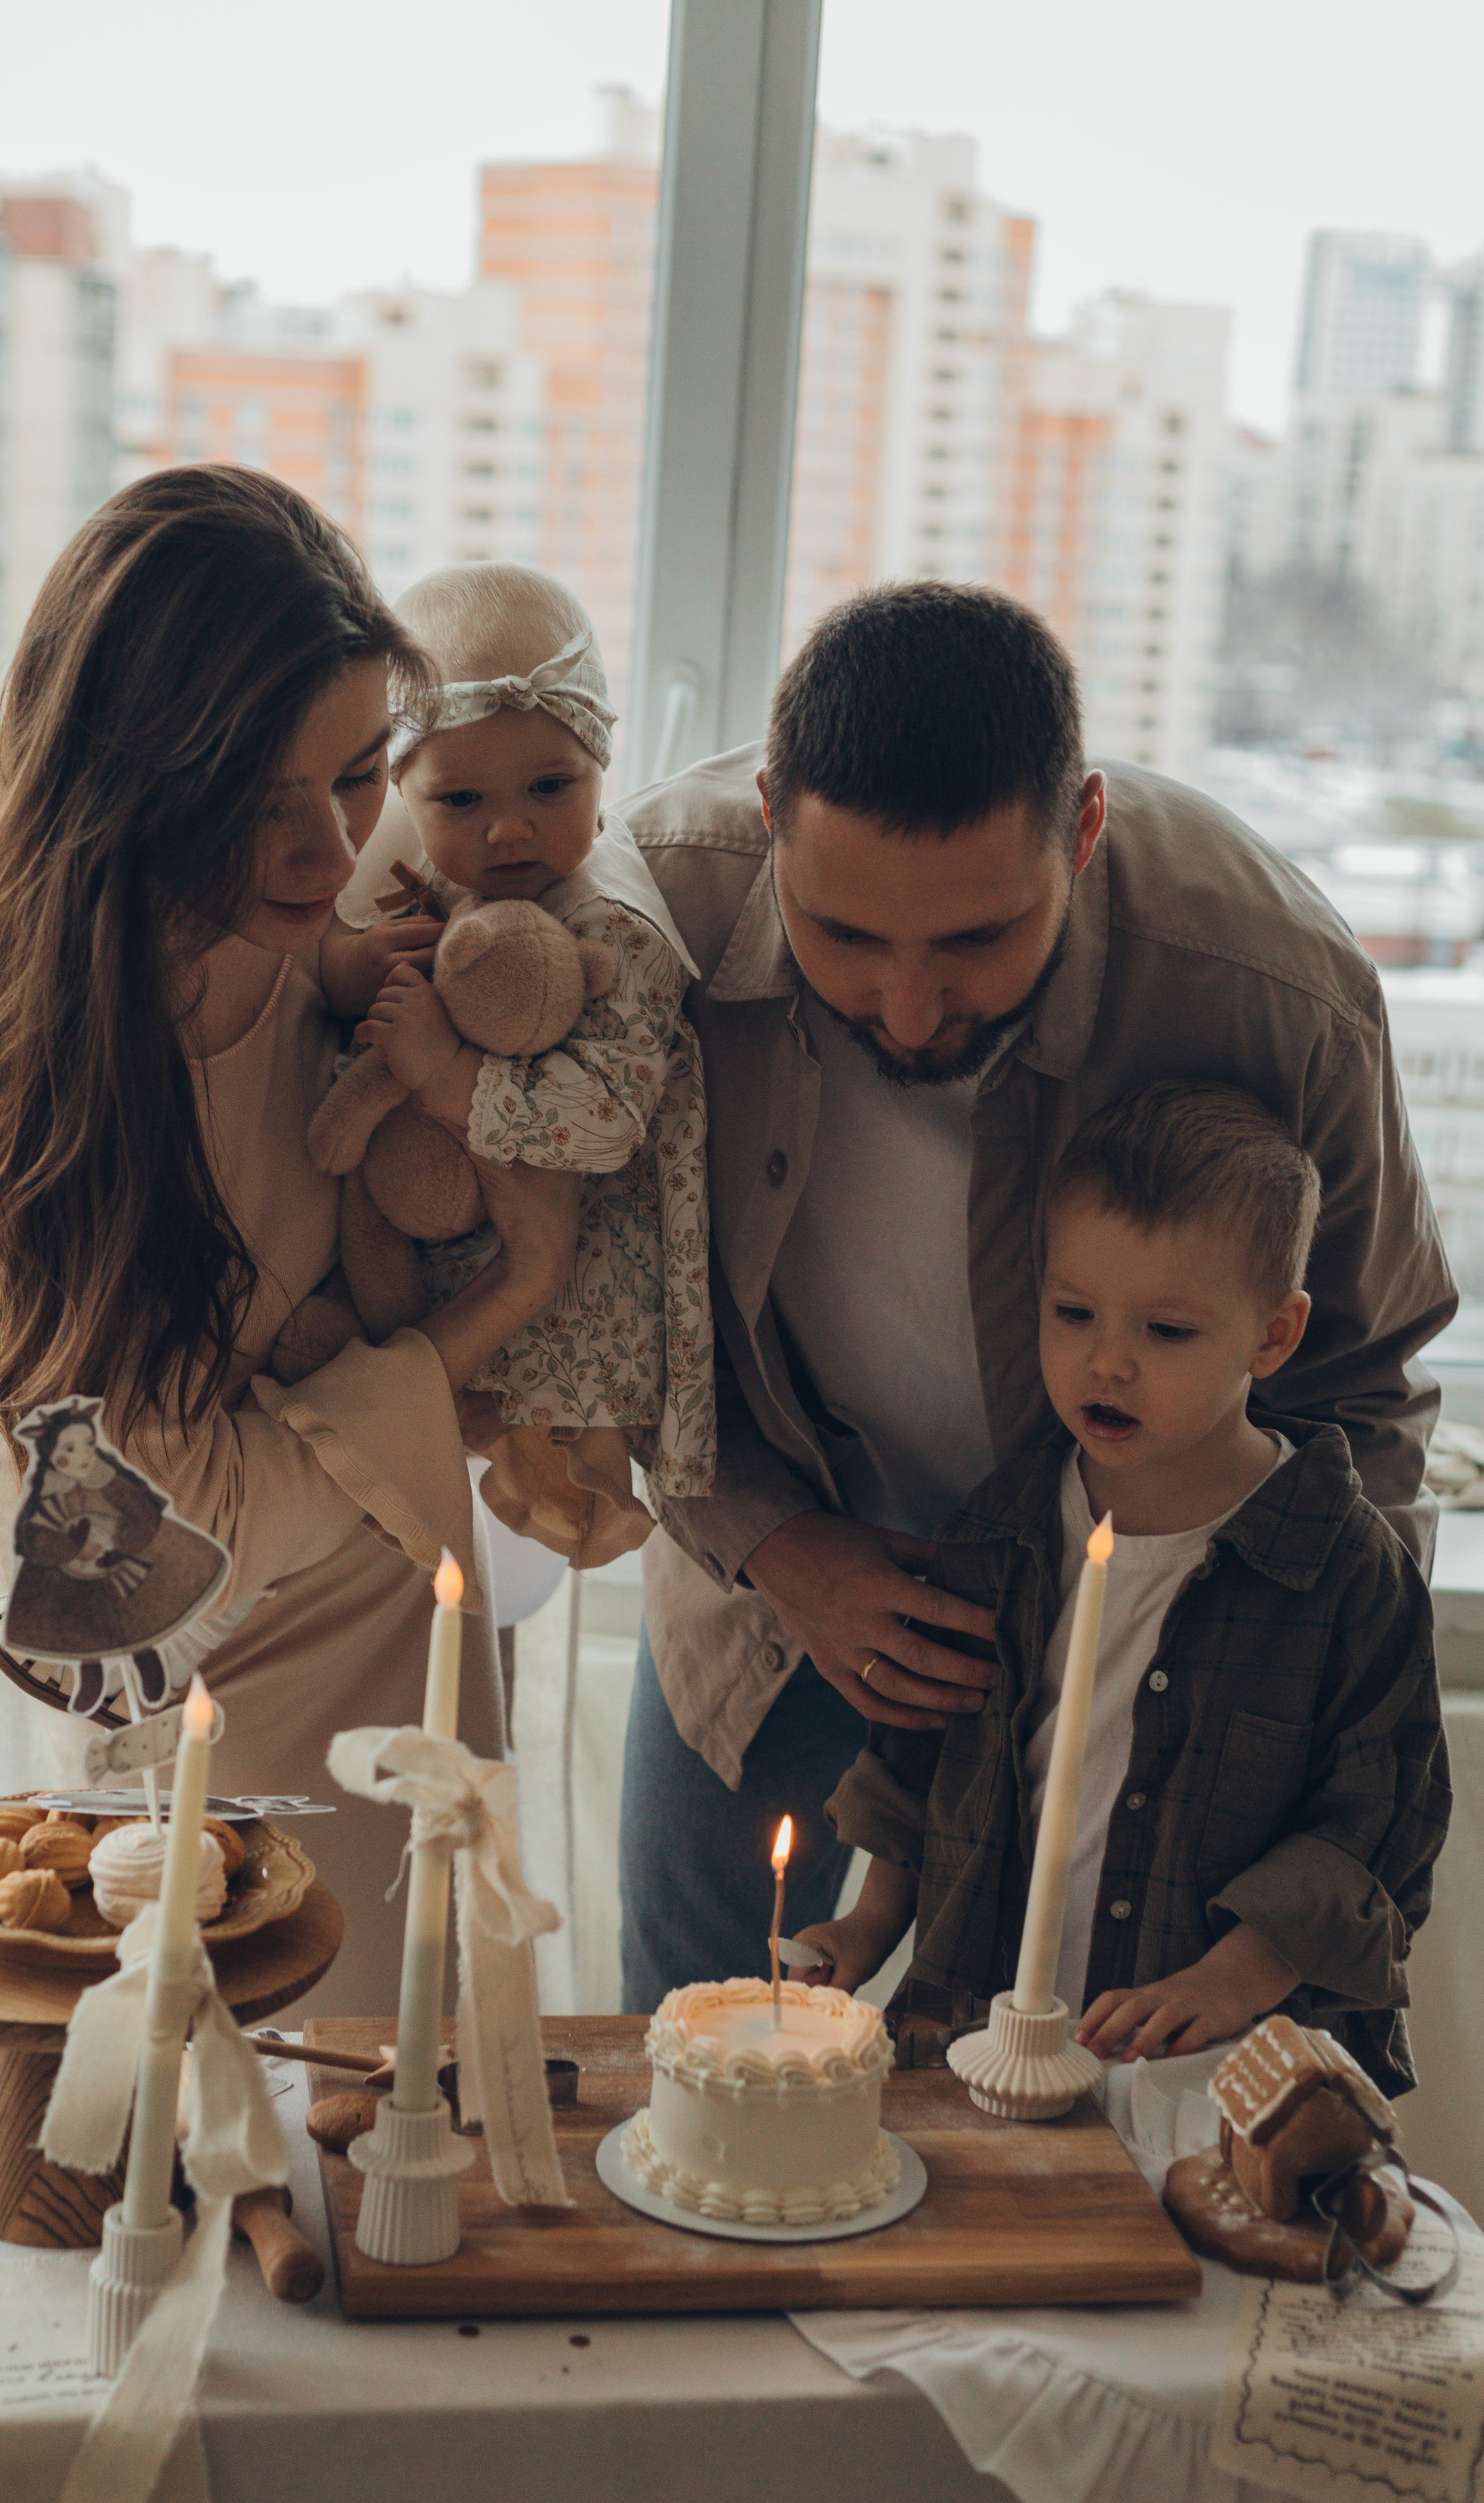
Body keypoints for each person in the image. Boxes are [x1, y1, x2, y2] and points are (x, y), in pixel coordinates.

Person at [615, 582, 1455, 2013]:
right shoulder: (647, 922)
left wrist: (1297, 1718)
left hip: (1148, 1646)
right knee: (694, 2076)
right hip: (765, 1607)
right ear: (768, 818)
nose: (905, 1008)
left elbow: (1359, 1381)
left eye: (972, 942)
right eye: (844, 937)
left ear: (1081, 831)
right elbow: (606, 1331)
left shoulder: (1269, 986)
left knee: (1067, 2127)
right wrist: (772, 1547)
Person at [0, 466, 579, 2011]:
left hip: (389, 1555)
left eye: (359, 775)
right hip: (159, 1625)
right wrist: (490, 1318)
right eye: (250, 801)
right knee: (204, 2117)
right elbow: (173, 1513)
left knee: (418, 2097)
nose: (327, 859)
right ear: (120, 779)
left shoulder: (323, 891)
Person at [794, 1084, 1449, 2095]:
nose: (1107, 1361)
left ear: (1272, 1337)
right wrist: (870, 1923)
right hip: (979, 2025)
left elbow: (1381, 1820)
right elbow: (928, 1757)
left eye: (1168, 1331)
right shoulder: (998, 1529)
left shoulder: (1346, 1570)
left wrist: (1236, 1975)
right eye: (1074, 1313)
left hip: (1218, 2065)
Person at [318, 562, 714, 1567]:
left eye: (551, 786)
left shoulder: (614, 919)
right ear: (402, 793)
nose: (509, 828)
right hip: (486, 1243)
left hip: (593, 1285)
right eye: (461, 798)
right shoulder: (455, 888)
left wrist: (446, 1074)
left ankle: (567, 1485)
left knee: (539, 1445)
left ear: (602, 762)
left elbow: (609, 1115)